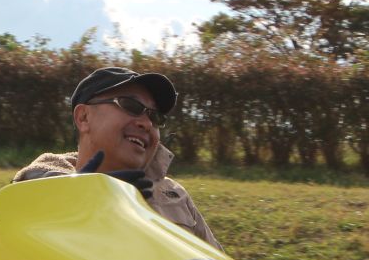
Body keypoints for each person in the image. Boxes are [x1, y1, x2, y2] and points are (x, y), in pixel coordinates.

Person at [16, 66, 221, 247]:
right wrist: (77, 202)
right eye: (131, 106)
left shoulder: (175, 193)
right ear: (83, 118)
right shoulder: (36, 193)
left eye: (155, 117)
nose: (147, 123)